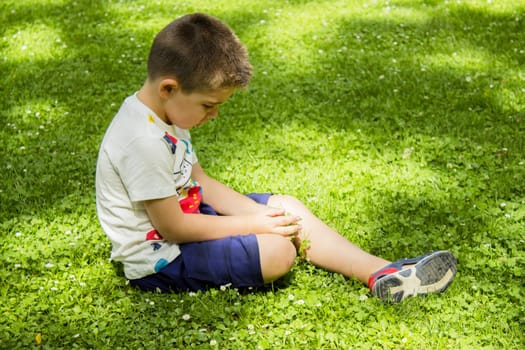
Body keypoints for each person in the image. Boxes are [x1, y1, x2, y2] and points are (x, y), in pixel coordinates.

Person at [95, 13, 457, 303]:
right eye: (209, 106)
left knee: (287, 208)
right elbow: (173, 228)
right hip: (161, 258)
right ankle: (378, 273)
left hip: (189, 221)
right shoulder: (140, 140)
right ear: (169, 88)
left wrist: (260, 215)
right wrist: (254, 225)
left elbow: (200, 183)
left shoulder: (169, 114)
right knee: (277, 251)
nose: (214, 115)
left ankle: (383, 273)